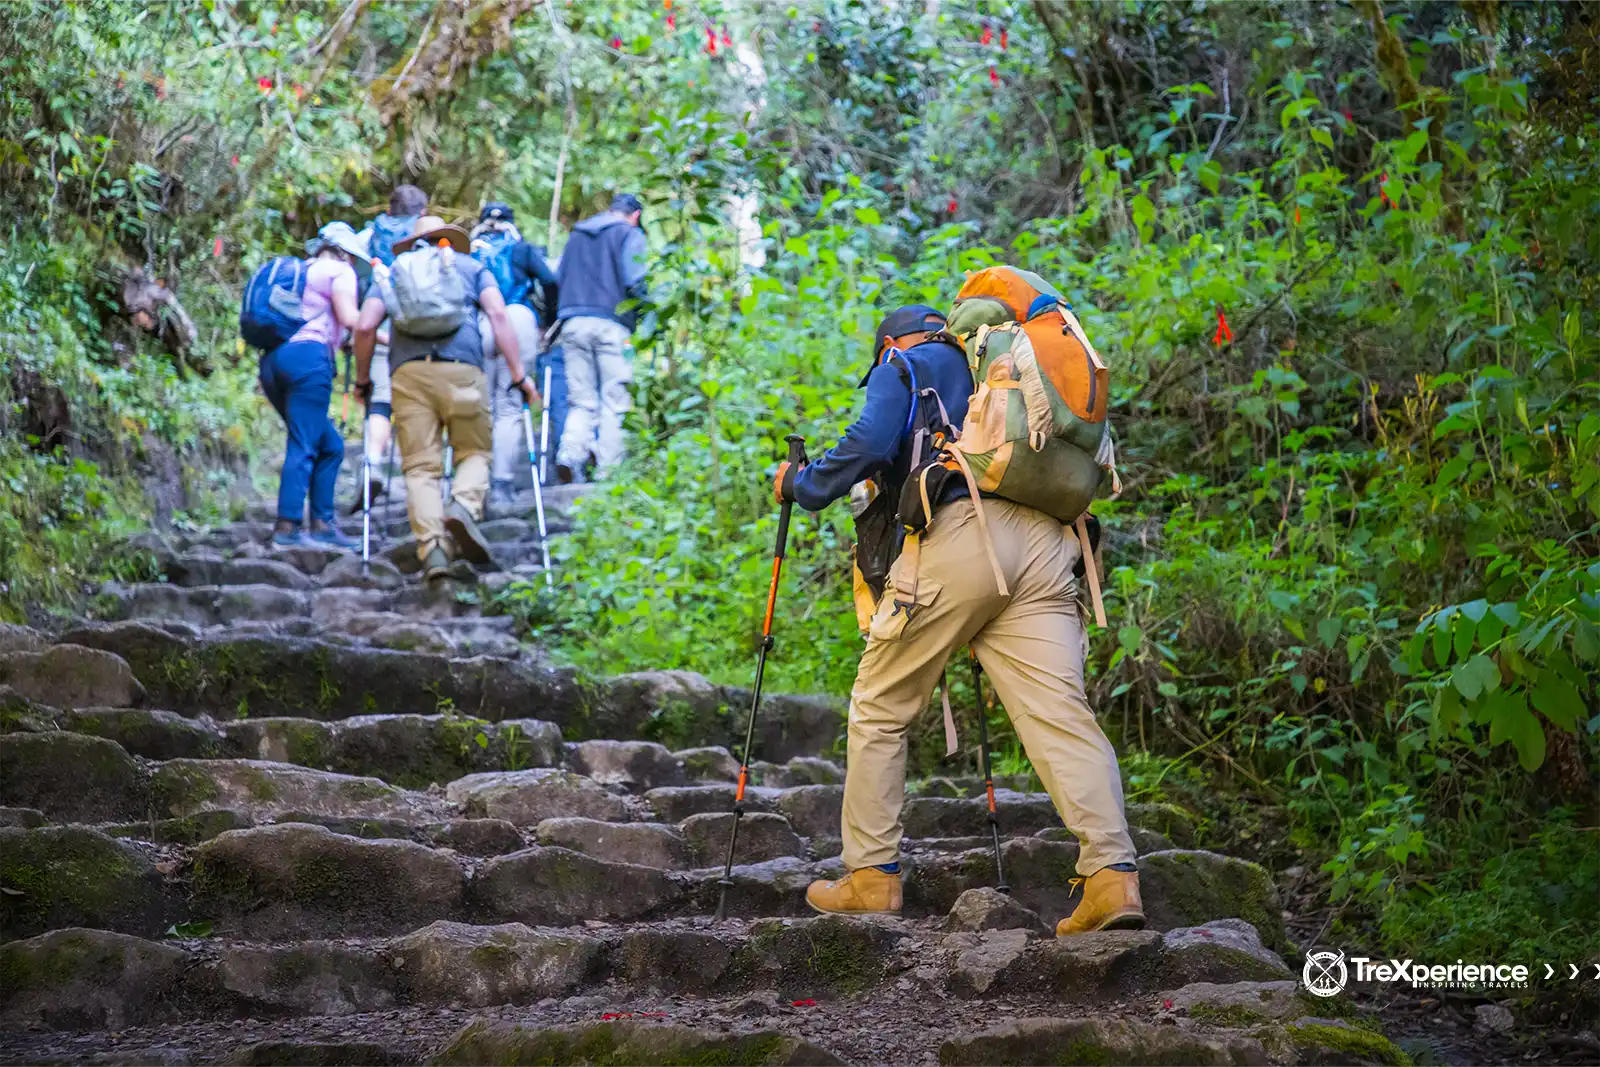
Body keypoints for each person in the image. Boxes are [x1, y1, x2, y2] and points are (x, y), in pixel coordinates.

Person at [776, 305, 1145, 936]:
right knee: (1060, 715)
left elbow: (868, 444)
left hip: (965, 534)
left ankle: (870, 877)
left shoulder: (905, 364)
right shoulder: (1007, 369)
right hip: (1050, 541)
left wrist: (804, 485)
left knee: (880, 705)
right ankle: (1113, 878)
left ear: (889, 342)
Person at [350, 216, 539, 581]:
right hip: (463, 370)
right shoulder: (470, 266)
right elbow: (499, 315)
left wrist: (362, 381)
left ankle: (434, 549)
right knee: (475, 452)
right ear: (449, 240)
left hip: (408, 374)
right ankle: (463, 505)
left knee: (420, 467)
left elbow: (364, 325)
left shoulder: (394, 271)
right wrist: (519, 375)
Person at [259, 223, 367, 549]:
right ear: (346, 252)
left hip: (273, 362)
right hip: (308, 361)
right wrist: (389, 337)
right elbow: (352, 319)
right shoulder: (339, 270)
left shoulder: (300, 270)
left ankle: (322, 524)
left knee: (330, 445)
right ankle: (287, 527)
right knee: (305, 442)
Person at [469, 202, 562, 508]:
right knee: (509, 406)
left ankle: (472, 482)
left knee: (480, 405)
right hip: (518, 320)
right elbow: (549, 280)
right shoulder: (523, 249)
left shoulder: (468, 253)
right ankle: (502, 485)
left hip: (479, 324)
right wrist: (548, 321)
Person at [552, 192, 648, 482]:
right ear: (636, 215)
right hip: (612, 323)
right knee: (615, 398)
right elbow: (635, 279)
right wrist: (648, 315)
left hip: (572, 322)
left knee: (581, 400)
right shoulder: (629, 233)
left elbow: (557, 277)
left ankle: (570, 454)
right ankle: (608, 469)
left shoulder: (578, 234)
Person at [354, 184, 429, 496]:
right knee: (419, 402)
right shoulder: (423, 233)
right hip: (419, 326)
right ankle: (422, 472)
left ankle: (372, 462)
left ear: (389, 209)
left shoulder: (370, 234)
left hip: (379, 321)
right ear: (422, 211)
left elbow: (357, 275)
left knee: (381, 402)